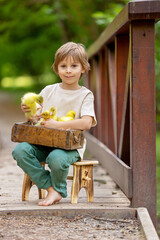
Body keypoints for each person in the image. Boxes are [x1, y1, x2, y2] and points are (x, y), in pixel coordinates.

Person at [12, 42, 97, 206]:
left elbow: (86, 123)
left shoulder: (85, 95)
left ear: (83, 68)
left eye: (74, 65)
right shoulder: (48, 90)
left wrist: (57, 125)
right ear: (57, 69)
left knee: (56, 158)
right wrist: (28, 111)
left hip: (69, 147)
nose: (68, 70)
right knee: (20, 150)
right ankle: (51, 188)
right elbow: (36, 119)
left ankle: (57, 189)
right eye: (63, 66)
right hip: (44, 142)